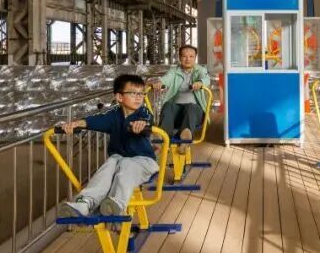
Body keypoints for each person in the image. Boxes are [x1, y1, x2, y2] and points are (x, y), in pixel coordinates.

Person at [58, 74, 157, 218]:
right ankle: (85, 202)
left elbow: (148, 120)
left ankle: (117, 203)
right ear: (119, 97)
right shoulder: (114, 115)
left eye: (141, 94)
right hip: (119, 160)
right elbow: (97, 120)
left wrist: (142, 124)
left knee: (126, 165)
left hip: (144, 161)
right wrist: (77, 123)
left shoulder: (143, 113)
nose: (138, 97)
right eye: (133, 93)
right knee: (107, 167)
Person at [156, 45, 211, 154]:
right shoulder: (174, 71)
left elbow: (206, 79)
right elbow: (167, 78)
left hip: (194, 112)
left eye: (191, 56)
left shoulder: (200, 70)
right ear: (180, 58)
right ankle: (162, 139)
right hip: (177, 111)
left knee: (191, 106)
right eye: (184, 56)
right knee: (168, 105)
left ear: (195, 58)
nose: (188, 59)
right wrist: (160, 82)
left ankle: (185, 138)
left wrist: (200, 83)